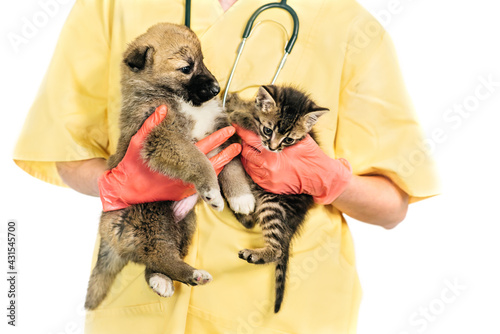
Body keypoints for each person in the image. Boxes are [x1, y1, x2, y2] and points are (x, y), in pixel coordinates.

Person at [13, 0, 439, 333]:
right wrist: (122, 183)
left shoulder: (347, 24)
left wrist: (324, 176)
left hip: (288, 311)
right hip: (141, 305)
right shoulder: (109, 8)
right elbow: (66, 151)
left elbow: (391, 205)